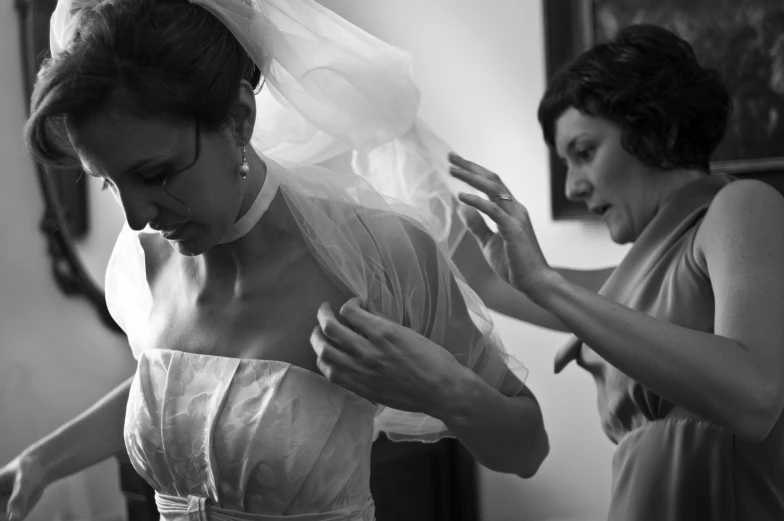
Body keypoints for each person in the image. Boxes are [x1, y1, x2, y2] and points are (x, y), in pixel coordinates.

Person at [0, 0, 549, 520]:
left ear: (238, 119)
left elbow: (527, 448)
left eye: (155, 173)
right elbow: (189, 389)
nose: (138, 214)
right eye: (108, 183)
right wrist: (42, 461)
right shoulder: (145, 259)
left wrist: (441, 389)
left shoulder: (377, 255)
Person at [322, 23, 784, 521]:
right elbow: (485, 280)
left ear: (658, 129)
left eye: (584, 153)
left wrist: (546, 284)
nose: (573, 188)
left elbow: (754, 396)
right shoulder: (634, 276)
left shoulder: (741, 206)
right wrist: (397, 138)